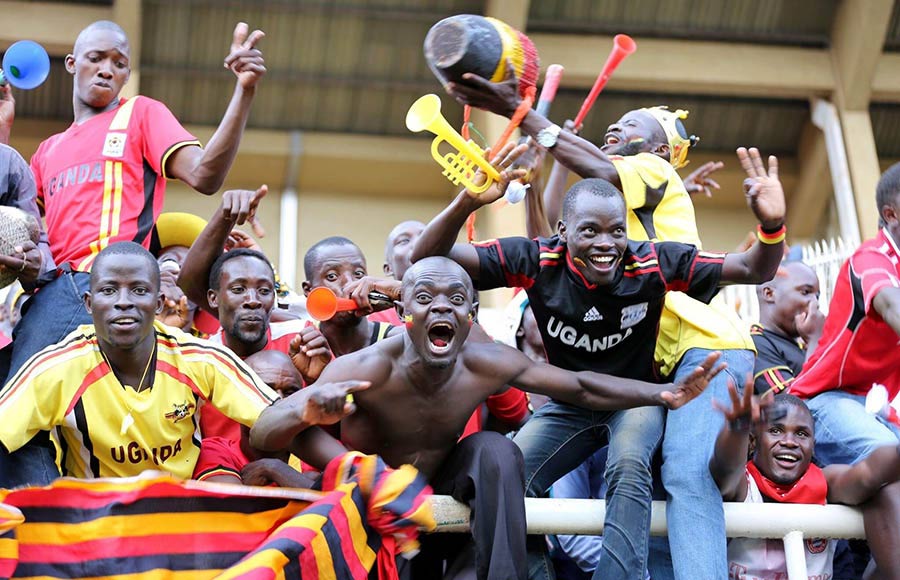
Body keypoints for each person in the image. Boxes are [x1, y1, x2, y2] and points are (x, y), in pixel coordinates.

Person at [446, 73, 780, 580]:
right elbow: (551, 242)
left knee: (686, 476)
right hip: (655, 367)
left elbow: (599, 170)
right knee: (630, 486)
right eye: (615, 123)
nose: (616, 128)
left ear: (662, 149)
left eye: (632, 124)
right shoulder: (612, 215)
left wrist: (526, 116)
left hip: (703, 349)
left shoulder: (651, 170)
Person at [250, 255, 725, 580]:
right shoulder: (364, 369)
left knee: (496, 451)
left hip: (439, 500)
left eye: (456, 299)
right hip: (370, 516)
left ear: (472, 314)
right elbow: (265, 434)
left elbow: (580, 385)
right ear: (403, 310)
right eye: (425, 298)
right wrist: (308, 412)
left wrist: (663, 393)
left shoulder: (486, 363)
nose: (441, 306)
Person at [0, 19, 267, 487]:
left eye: (119, 63)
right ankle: (49, 507)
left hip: (104, 286)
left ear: (127, 74)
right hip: (51, 294)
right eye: (96, 58)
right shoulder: (46, 151)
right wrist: (3, 130)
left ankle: (43, 513)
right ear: (72, 64)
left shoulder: (140, 114)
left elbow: (205, 175)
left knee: (18, 403)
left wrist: (243, 91)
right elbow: (20, 226)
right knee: (28, 413)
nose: (107, 69)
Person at [0, 242, 283, 480]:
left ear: (158, 303)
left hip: (180, 512)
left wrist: (303, 418)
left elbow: (275, 415)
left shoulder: (199, 358)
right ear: (88, 303)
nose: (124, 302)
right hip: (96, 517)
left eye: (138, 290)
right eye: (109, 290)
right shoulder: (58, 366)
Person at [790, 162, 900, 578]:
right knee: (887, 460)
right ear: (891, 214)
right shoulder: (871, 257)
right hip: (823, 402)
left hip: (870, 408)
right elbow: (892, 306)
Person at [176, 187, 331, 443]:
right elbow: (188, 281)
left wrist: (318, 380)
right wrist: (225, 215)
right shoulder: (199, 360)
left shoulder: (303, 339)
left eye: (264, 290)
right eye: (238, 289)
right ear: (213, 298)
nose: (253, 300)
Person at [711, 386, 900, 580]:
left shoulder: (824, 482)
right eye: (776, 431)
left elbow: (866, 474)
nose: (789, 442)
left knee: (888, 490)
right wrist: (736, 429)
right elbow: (726, 468)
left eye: (801, 434)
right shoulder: (744, 485)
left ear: (813, 446)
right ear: (753, 442)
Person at [193, 350, 315, 489]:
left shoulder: (314, 451)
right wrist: (304, 482)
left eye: (290, 392)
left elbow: (335, 497)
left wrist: (274, 469)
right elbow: (230, 500)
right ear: (239, 398)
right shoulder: (214, 451)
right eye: (265, 391)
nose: (279, 400)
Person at [751, 261, 824, 395]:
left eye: (817, 296)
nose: (815, 303)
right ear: (769, 293)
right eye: (806, 292)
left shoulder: (800, 343)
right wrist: (814, 341)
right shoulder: (756, 344)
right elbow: (793, 400)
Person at [369, 220, 426, 326]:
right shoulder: (379, 319)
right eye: (404, 241)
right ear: (388, 268)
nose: (418, 243)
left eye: (425, 237)